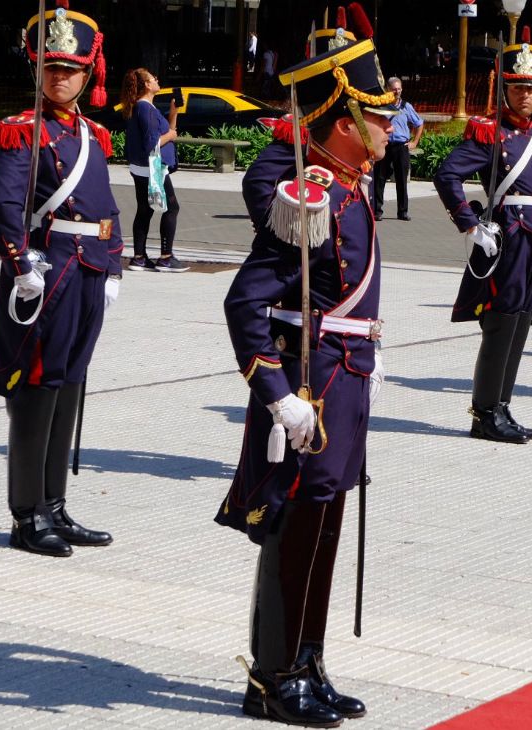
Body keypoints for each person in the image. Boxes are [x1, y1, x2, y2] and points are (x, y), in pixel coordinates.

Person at [214, 6, 391, 725]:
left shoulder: (349, 187)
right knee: (292, 525)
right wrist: (278, 394)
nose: (390, 125)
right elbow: (244, 304)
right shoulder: (311, 195)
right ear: (345, 121)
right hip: (309, 389)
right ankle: (272, 676)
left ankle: (309, 662)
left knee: (326, 522)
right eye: (379, 115)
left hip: (346, 378)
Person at [0, 0, 119, 558]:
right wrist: (20, 265)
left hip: (88, 273)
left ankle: (56, 506)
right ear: (37, 68)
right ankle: (26, 516)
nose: (60, 78)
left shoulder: (93, 135)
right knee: (35, 390)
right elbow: (2, 204)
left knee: (69, 387)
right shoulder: (23, 131)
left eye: (70, 69)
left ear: (89, 73)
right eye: (51, 68)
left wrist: (115, 264)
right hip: (46, 274)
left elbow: (105, 204)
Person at [434, 27, 532, 439]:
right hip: (509, 238)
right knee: (501, 324)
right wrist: (470, 225)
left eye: (530, 88)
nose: (523, 95)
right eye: (516, 87)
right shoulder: (490, 133)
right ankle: (484, 413)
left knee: (522, 323)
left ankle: (503, 407)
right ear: (503, 89)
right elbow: (447, 175)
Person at [120, 69, 188, 272]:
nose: (157, 80)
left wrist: (173, 114)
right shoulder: (146, 109)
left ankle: (139, 257)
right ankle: (166, 257)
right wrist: (171, 135)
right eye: (153, 79)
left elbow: (167, 131)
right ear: (147, 86)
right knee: (171, 207)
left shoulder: (138, 107)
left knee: (145, 209)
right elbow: (154, 142)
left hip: (140, 166)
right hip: (153, 166)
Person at [372, 77, 424, 221]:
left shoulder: (406, 106)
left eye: (399, 88)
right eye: (394, 89)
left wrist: (414, 142)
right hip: (385, 145)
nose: (397, 91)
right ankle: (377, 211)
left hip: (401, 146)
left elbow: (419, 123)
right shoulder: (381, 105)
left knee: (401, 179)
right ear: (388, 89)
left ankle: (403, 212)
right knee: (379, 179)